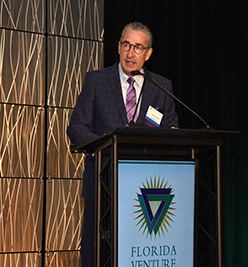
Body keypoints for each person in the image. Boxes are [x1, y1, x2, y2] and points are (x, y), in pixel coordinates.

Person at [67, 21, 179, 266]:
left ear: (148, 54)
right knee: (99, 255)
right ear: (118, 47)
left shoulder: (162, 87)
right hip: (102, 183)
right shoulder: (96, 81)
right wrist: (106, 144)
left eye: (138, 47)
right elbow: (76, 127)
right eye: (127, 45)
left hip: (146, 188)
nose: (131, 53)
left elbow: (172, 129)